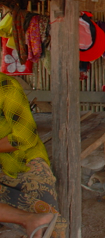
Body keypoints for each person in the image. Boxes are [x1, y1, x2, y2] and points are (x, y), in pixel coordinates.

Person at [0, 73, 67, 238]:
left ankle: (31, 220)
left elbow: (25, 137)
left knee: (49, 227)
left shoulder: (6, 87)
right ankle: (28, 219)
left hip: (23, 162)